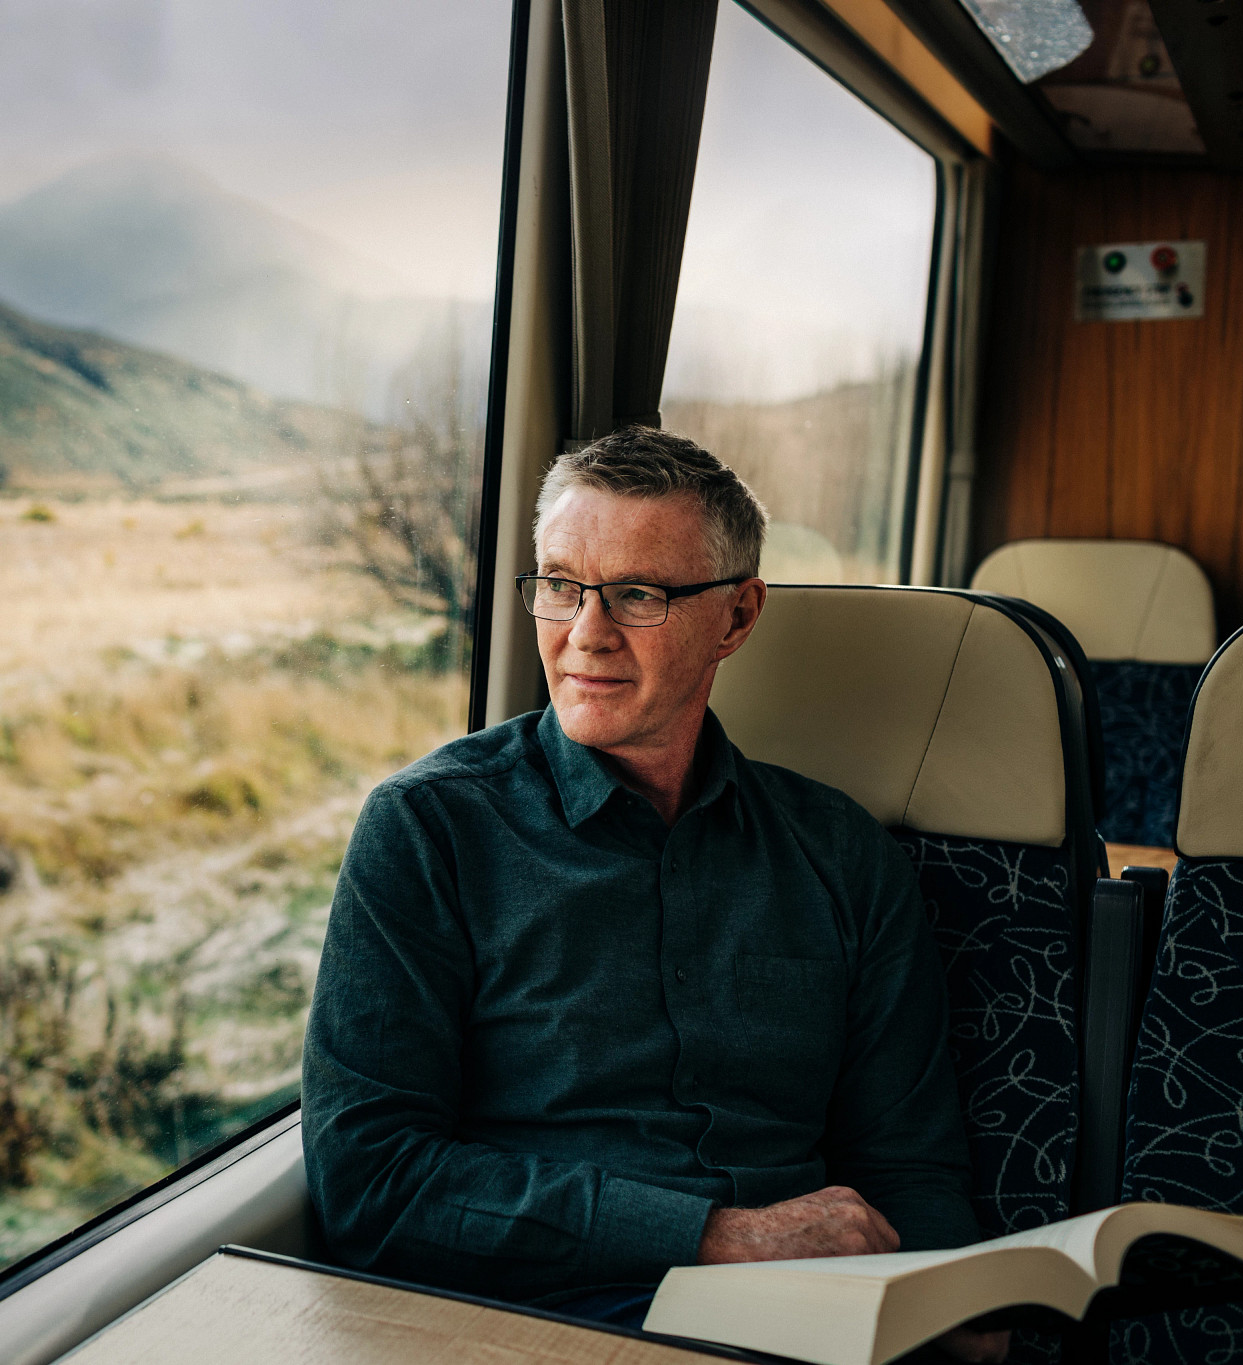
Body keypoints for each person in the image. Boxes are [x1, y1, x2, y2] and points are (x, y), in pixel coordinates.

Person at [301, 426, 1007, 1363]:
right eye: (559, 585)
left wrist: (948, 1308)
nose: (585, 635)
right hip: (517, 1325)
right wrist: (717, 1237)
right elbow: (370, 1180)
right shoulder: (427, 830)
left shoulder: (843, 856)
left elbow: (907, 1164)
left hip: (803, 1329)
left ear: (739, 617)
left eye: (639, 595)